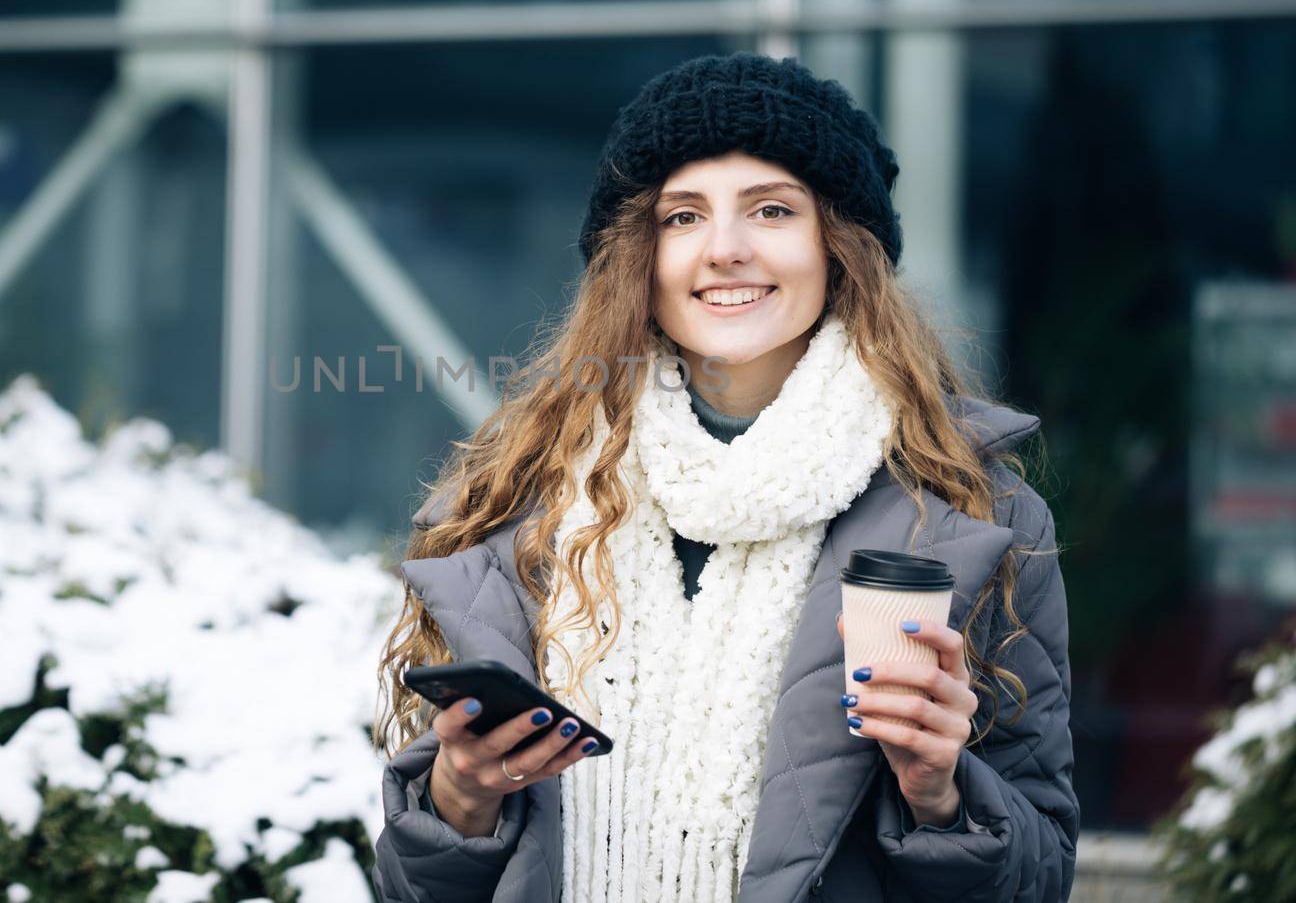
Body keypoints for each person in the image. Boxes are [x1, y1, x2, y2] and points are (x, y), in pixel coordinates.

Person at [369, 52, 1079, 902]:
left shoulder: (969, 509)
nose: (726, 249)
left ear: (839, 245)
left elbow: (1040, 869)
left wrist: (939, 793)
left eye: (772, 210)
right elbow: (415, 884)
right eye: (683, 217)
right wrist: (462, 795)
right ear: (639, 253)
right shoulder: (525, 496)